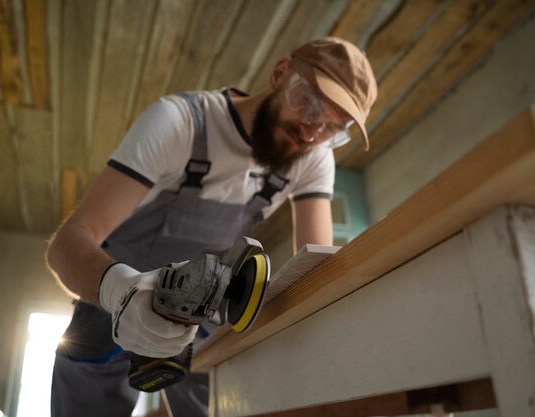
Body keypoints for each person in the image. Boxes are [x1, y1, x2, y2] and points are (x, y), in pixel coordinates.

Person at [46, 36, 377, 417]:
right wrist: (120, 294)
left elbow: (314, 271)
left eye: (333, 128)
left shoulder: (312, 157)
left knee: (221, 400)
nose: (310, 132)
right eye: (308, 103)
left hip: (200, 313)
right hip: (108, 301)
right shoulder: (181, 122)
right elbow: (68, 243)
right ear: (279, 73)